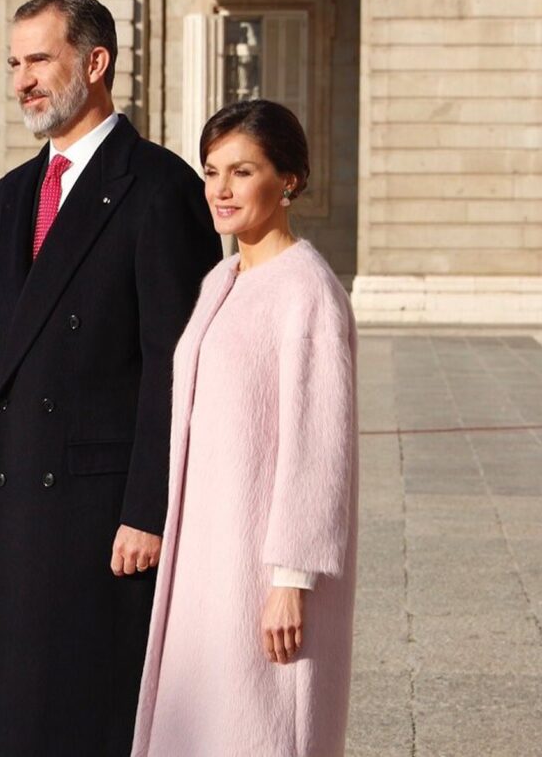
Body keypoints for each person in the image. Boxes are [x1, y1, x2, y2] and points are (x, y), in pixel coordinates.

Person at [0, 0, 221, 756]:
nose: (21, 80)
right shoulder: (14, 194)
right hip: (21, 505)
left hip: (105, 514)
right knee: (20, 723)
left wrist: (150, 508)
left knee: (88, 720)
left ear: (95, 61)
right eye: (15, 63)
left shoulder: (159, 187)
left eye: (39, 59)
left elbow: (175, 364)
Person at [131, 100, 359, 757]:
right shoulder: (221, 278)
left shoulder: (306, 289)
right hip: (203, 556)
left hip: (265, 567)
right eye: (211, 171)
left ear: (288, 180)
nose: (220, 190)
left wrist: (291, 579)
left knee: (259, 731)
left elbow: (320, 447)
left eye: (242, 171)